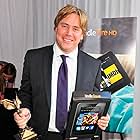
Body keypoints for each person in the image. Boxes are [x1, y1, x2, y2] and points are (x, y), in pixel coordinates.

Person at [14, 4, 110, 140]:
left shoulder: (93, 65)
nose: (69, 33)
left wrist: (102, 116)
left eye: (76, 29)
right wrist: (25, 110)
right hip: (40, 136)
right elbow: (25, 93)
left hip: (78, 137)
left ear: (82, 35)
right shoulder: (33, 58)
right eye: (64, 26)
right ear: (56, 28)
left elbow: (96, 103)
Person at [0, 62, 18, 140]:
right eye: (5, 77)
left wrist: (9, 99)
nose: (6, 79)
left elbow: (9, 89)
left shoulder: (12, 73)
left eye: (9, 78)